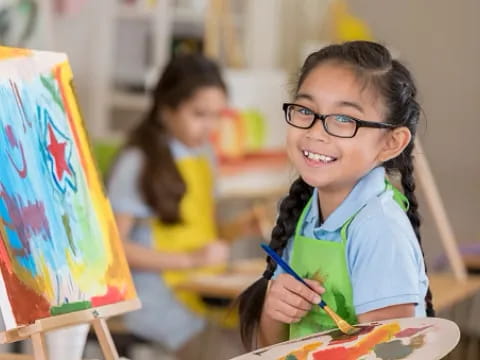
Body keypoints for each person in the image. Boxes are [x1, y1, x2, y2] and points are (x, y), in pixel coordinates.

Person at [238, 41, 433, 349]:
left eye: (345, 119)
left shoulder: (379, 230)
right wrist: (274, 310)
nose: (316, 132)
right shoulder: (303, 211)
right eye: (305, 110)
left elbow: (389, 354)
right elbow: (271, 351)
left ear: (391, 143)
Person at [107, 54, 231, 359]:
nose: (210, 127)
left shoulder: (204, 155)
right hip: (156, 306)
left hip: (197, 294)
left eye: (217, 115)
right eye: (199, 114)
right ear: (167, 110)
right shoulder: (138, 162)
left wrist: (244, 228)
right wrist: (191, 259)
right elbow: (115, 250)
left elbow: (201, 231)